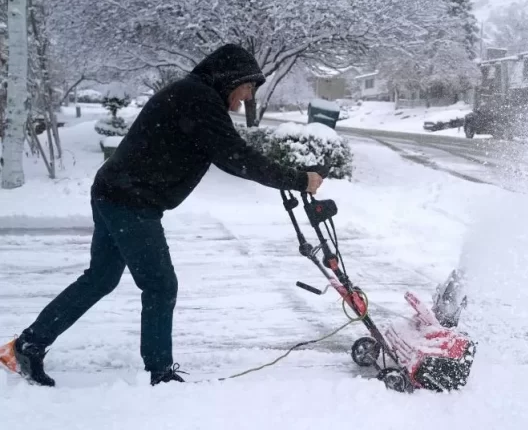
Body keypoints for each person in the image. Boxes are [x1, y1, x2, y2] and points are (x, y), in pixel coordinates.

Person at [0, 43, 324, 387]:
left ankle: (26, 346)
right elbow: (235, 156)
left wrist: (293, 176)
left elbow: (232, 152)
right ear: (231, 79)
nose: (246, 99)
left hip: (116, 191)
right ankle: (159, 373)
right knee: (160, 284)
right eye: (246, 89)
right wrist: (298, 180)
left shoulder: (195, 96)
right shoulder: (199, 99)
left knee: (101, 279)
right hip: (130, 200)